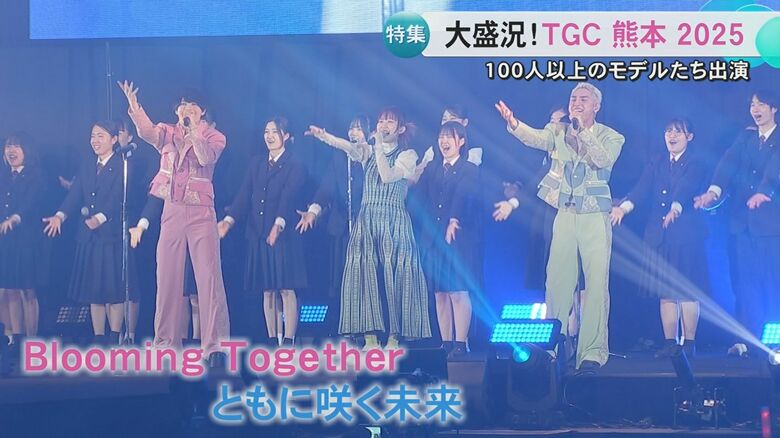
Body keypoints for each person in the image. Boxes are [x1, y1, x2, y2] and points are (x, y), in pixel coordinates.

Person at [495, 83, 625, 371]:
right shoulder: (557, 131)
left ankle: (592, 351)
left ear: (596, 106)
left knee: (595, 285)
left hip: (594, 216)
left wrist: (582, 131)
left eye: (583, 99)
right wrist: (514, 124)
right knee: (556, 282)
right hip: (565, 214)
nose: (576, 102)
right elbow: (535, 138)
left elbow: (603, 160)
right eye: (573, 98)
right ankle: (554, 347)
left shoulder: (612, 136)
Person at [118, 80, 229, 367]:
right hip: (172, 210)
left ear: (202, 111)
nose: (185, 110)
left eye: (191, 106)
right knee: (167, 277)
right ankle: (166, 344)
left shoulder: (215, 137)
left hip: (201, 212)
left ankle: (214, 346)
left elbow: (205, 157)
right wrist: (135, 106)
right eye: (182, 106)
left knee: (208, 278)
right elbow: (146, 132)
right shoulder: (167, 132)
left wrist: (193, 132)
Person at [305, 107, 431, 349]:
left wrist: (378, 147)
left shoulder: (408, 155)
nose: (384, 125)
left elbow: (387, 175)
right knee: (363, 277)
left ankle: (394, 336)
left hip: (394, 220)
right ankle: (370, 336)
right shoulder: (368, 150)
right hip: (367, 219)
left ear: (400, 129)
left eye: (390, 122)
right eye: (381, 121)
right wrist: (324, 136)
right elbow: (347, 147)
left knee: (395, 278)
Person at [611, 118, 709, 357]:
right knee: (665, 291)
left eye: (677, 132)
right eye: (668, 131)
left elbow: (686, 188)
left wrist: (675, 208)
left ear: (689, 137)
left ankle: (689, 343)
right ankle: (670, 344)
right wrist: (623, 208)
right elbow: (641, 189)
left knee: (686, 290)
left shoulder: (696, 162)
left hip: (686, 235)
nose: (671, 136)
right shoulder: (657, 161)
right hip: (659, 234)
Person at [694, 90, 780, 345]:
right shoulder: (746, 137)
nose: (756, 109)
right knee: (744, 281)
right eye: (753, 104)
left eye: (761, 104)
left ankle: (774, 339)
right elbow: (727, 163)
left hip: (771, 224)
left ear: (773, 108)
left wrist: (765, 192)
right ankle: (749, 339)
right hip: (742, 224)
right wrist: (713, 191)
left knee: (772, 281)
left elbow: (775, 168)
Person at [43, 121, 139, 345]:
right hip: (89, 236)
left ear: (114, 140)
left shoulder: (123, 165)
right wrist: (60, 216)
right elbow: (75, 195)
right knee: (94, 291)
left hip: (112, 236)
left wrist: (101, 217)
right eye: (93, 135)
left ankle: (114, 336)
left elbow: (119, 197)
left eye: (101, 136)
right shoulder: (87, 165)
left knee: (114, 291)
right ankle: (98, 337)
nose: (95, 140)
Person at [219, 117, 308, 346]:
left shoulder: (295, 164)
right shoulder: (256, 163)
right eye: (267, 131)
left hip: (283, 234)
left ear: (286, 136)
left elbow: (288, 197)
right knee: (267, 289)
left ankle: (288, 341)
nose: (269, 136)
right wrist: (228, 221)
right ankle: (272, 340)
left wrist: (278, 225)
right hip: (258, 232)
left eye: (275, 132)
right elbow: (244, 194)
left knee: (285, 288)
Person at [296, 115, 368, 335]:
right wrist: (313, 211)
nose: (354, 132)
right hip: (341, 228)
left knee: (365, 281)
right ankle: (343, 329)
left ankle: (367, 330)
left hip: (365, 227)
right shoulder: (339, 157)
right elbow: (326, 188)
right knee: (340, 281)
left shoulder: (372, 156)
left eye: (359, 128)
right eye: (351, 128)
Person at [415, 121, 480, 358]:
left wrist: (454, 219)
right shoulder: (432, 168)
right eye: (441, 136)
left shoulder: (469, 169)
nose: (444, 141)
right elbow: (418, 197)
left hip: (458, 238)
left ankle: (461, 343)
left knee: (458, 290)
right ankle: (446, 342)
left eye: (449, 137)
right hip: (433, 238)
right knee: (439, 292)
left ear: (461, 141)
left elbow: (463, 196)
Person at [0, 134, 46, 348]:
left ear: (27, 150)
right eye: (8, 146)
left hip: (27, 239)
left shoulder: (36, 176)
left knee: (26, 289)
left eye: (16, 146)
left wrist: (14, 218)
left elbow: (30, 202)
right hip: (5, 241)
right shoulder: (3, 176)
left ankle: (31, 340)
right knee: (8, 289)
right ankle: (13, 337)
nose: (11, 150)